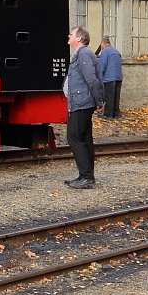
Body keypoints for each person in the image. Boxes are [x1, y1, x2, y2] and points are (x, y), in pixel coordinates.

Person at [64, 26, 105, 188]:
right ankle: (87, 175)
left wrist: (98, 101)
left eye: (71, 34)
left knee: (74, 137)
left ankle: (86, 176)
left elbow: (92, 79)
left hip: (81, 103)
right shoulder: (81, 54)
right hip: (81, 101)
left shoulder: (84, 53)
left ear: (79, 38)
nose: (69, 36)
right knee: (84, 137)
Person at [98, 36, 123, 119]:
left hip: (109, 77)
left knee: (109, 96)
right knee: (116, 96)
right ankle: (115, 113)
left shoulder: (105, 52)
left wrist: (99, 77)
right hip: (118, 77)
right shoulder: (116, 52)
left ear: (103, 44)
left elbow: (102, 65)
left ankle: (108, 114)